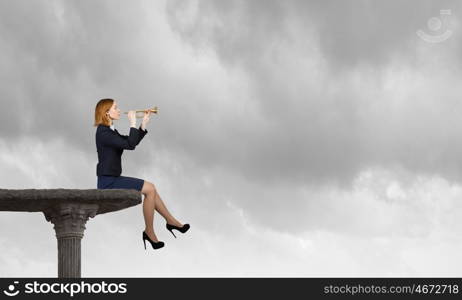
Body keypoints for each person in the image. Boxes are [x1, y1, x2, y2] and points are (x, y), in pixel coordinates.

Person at [94, 98, 190, 250]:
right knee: (150, 189)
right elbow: (130, 145)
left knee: (152, 190)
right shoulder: (103, 133)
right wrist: (132, 123)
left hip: (113, 178)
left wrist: (143, 125)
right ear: (106, 113)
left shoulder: (110, 131)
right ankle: (150, 231)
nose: (119, 110)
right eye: (115, 108)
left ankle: (170, 221)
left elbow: (129, 141)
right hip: (107, 182)